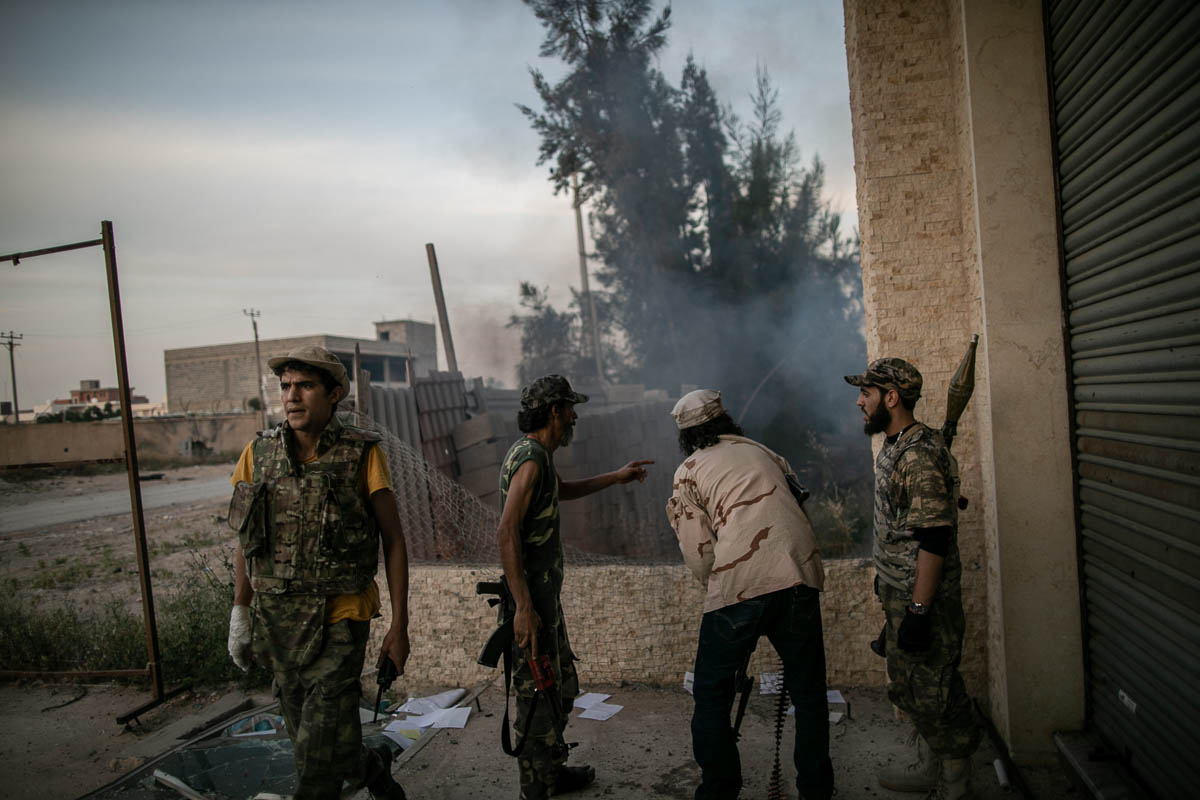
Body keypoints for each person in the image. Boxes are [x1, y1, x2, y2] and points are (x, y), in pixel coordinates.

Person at [225, 345, 409, 800]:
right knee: (320, 743)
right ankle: (373, 770)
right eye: (286, 386)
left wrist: (400, 625)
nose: (292, 396)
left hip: (340, 620)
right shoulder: (258, 454)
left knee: (316, 769)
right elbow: (247, 542)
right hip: (280, 626)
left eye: (305, 385)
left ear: (335, 394)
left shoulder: (362, 454)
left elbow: (395, 540)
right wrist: (239, 612)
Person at [665, 389, 834, 800]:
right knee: (810, 694)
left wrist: (720, 592)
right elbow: (798, 516)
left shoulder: (688, 471)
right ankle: (816, 791)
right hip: (799, 576)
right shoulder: (766, 454)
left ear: (685, 435)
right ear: (725, 420)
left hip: (739, 584)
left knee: (710, 694)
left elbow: (699, 553)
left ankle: (720, 790)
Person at [496, 374, 653, 800]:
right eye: (570, 408)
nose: (574, 417)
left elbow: (561, 491)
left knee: (560, 690)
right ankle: (536, 789)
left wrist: (615, 477)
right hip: (532, 606)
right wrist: (524, 610)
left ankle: (552, 772)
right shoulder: (530, 458)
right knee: (535, 700)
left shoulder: (540, 458)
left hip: (545, 603)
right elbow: (506, 531)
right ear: (554, 411)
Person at [845, 357, 980, 800]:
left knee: (936, 692)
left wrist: (919, 612)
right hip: (902, 593)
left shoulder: (918, 454)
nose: (859, 401)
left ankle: (955, 787)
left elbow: (935, 539)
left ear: (891, 397)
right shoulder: (901, 444)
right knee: (912, 688)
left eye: (866, 393)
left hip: (923, 600)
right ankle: (930, 770)